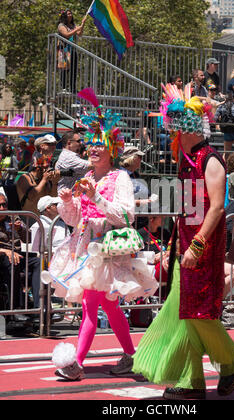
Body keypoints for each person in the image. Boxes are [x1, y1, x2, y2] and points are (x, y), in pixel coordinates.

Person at [133, 92, 234, 400]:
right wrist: (173, 246)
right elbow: (185, 211)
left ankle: (229, 361)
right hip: (184, 247)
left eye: (178, 127)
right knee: (184, 313)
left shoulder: (211, 159)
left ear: (192, 128)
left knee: (198, 313)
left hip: (204, 248)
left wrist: (196, 245)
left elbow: (217, 208)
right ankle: (191, 383)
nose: (173, 132)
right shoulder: (185, 160)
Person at [48, 91, 158, 381]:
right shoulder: (87, 178)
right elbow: (75, 220)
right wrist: (68, 201)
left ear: (112, 151)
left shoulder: (120, 177)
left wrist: (95, 197)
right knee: (107, 306)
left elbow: (124, 216)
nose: (93, 151)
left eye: (100, 146)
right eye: (91, 146)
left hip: (107, 253)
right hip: (85, 250)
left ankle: (77, 364)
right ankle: (132, 357)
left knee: (91, 306)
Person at [0, 193, 41, 318]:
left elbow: (28, 239)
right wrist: (4, 251)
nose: (2, 208)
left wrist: (20, 229)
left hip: (16, 255)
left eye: (4, 204)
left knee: (38, 263)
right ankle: (15, 309)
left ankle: (39, 308)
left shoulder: (13, 216)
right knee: (12, 260)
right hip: (2, 257)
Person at [57, 9, 86, 93]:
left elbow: (79, 33)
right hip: (64, 49)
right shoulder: (61, 25)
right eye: (68, 14)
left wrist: (82, 24)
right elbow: (66, 35)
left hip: (72, 49)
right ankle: (63, 88)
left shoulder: (72, 25)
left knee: (73, 69)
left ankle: (73, 88)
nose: (70, 15)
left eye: (71, 13)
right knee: (65, 69)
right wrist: (77, 29)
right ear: (64, 16)